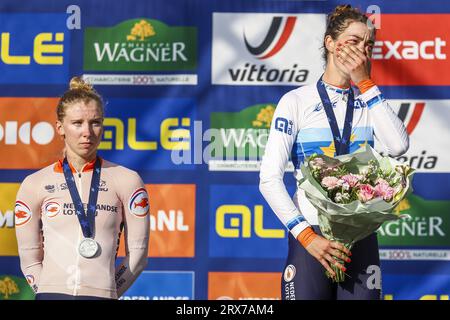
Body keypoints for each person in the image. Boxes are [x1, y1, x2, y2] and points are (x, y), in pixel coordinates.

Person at [259, 4, 409, 300]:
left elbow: (398, 145)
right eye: (353, 41)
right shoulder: (296, 101)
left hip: (361, 238)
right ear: (330, 42)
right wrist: (307, 237)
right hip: (311, 238)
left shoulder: (369, 100)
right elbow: (269, 179)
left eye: (368, 45)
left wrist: (365, 83)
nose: (361, 51)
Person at [14, 77, 150, 300]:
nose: (87, 132)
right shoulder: (34, 183)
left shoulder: (127, 180)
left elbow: (138, 255)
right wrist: (47, 292)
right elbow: (29, 258)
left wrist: (108, 292)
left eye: (95, 122)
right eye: (77, 123)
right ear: (60, 128)